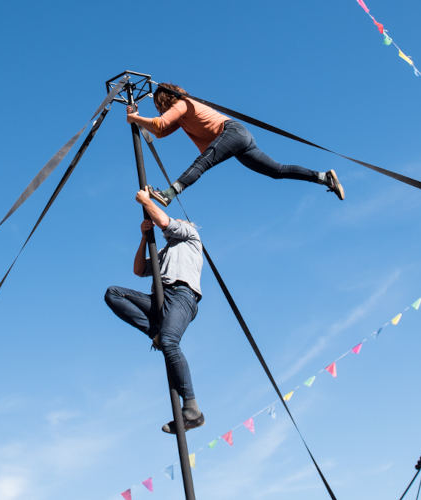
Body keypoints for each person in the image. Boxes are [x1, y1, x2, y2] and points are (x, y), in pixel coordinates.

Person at [125, 82, 345, 206]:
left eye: (158, 104)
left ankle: (169, 194)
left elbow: (160, 122)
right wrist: (136, 117)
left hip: (232, 133)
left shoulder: (182, 104)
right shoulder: (182, 116)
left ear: (164, 100)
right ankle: (323, 177)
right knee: (276, 171)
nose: (158, 109)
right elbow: (161, 131)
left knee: (204, 161)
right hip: (239, 138)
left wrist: (134, 118)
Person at [104, 187, 204, 434]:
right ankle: (155, 333)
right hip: (161, 298)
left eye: (176, 222)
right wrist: (143, 237)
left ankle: (192, 408)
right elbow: (139, 270)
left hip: (183, 295)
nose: (174, 223)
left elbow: (162, 220)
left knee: (171, 342)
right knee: (114, 293)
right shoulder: (163, 252)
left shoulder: (189, 235)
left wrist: (146, 201)